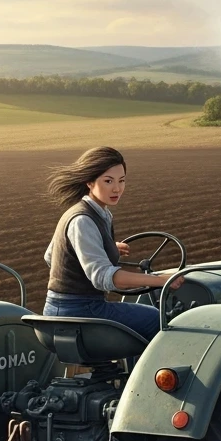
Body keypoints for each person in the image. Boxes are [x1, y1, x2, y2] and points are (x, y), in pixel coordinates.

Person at [43, 146, 180, 341]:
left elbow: (53, 255)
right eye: (108, 181)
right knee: (160, 320)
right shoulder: (83, 219)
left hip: (61, 309)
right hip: (80, 312)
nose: (117, 188)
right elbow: (103, 277)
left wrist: (102, 247)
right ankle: (145, 372)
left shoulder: (93, 212)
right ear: (89, 181)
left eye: (121, 181)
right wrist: (161, 280)